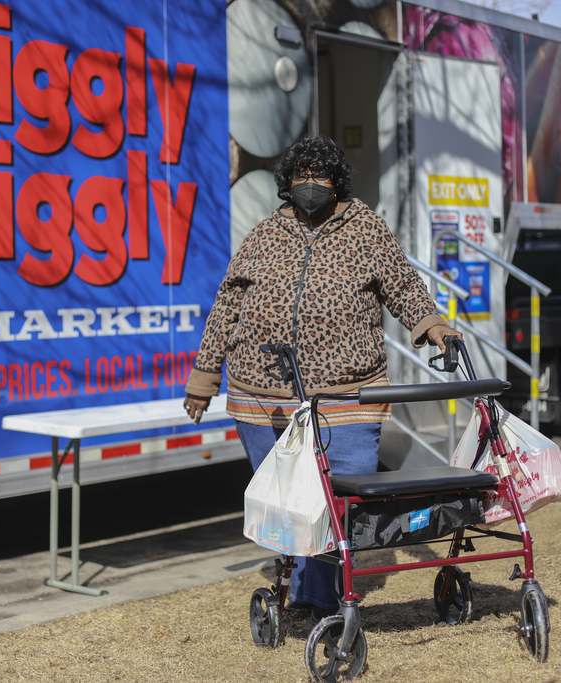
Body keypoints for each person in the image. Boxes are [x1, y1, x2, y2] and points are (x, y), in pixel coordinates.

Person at [183, 135, 461, 618]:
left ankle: (321, 597)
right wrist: (204, 378)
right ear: (287, 183)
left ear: (338, 182)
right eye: (301, 176)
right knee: (288, 505)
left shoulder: (364, 229)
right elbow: (227, 304)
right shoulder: (264, 234)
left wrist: (432, 325)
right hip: (260, 395)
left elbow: (402, 283)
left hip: (347, 395)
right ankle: (311, 594)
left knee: (340, 502)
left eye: (322, 176)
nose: (311, 184)